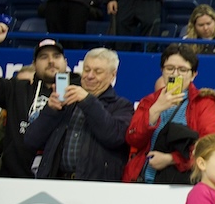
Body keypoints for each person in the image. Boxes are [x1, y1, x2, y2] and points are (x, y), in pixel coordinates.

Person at [22, 47, 132, 181]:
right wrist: (50, 111)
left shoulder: (122, 106)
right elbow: (31, 141)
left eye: (98, 72)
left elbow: (113, 136)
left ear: (112, 75)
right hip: (55, 183)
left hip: (95, 187)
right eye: (86, 70)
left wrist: (88, 101)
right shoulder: (66, 102)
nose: (90, 76)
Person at [0, 29, 67, 177]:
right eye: (43, 57)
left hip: (58, 181)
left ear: (65, 62)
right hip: (13, 179)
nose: (51, 61)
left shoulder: (77, 93)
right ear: (34, 64)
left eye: (56, 56)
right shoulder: (16, 89)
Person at [124, 45, 215, 184]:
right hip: (142, 179)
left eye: (182, 70)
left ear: (193, 75)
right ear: (162, 71)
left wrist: (171, 159)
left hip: (180, 181)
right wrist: (155, 110)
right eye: (170, 68)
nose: (175, 74)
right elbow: (133, 139)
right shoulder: (149, 101)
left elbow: (209, 146)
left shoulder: (204, 103)